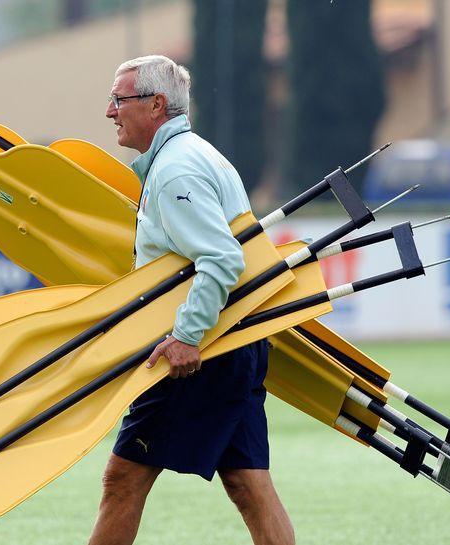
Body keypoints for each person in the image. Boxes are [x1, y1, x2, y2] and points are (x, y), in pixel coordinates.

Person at [87, 55, 295, 545]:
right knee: (248, 483)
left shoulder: (176, 170)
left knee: (123, 478)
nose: (110, 112)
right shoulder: (194, 154)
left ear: (156, 104)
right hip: (232, 342)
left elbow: (222, 259)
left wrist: (185, 335)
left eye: (119, 100)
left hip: (198, 353)